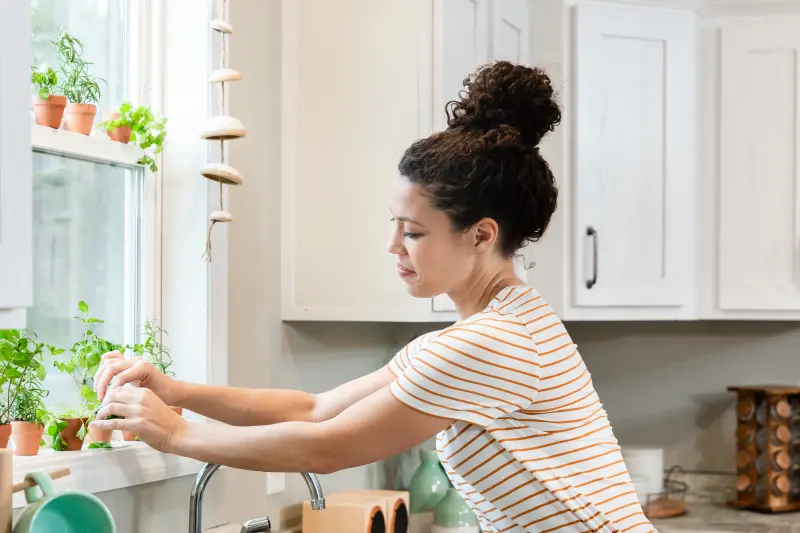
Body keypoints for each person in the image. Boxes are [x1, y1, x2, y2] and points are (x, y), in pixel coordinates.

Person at [92, 61, 653, 533]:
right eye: (395, 225)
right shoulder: (497, 328)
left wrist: (176, 433)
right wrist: (177, 390)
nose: (393, 246)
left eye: (412, 231)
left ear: (481, 234)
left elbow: (326, 448)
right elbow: (313, 411)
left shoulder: (488, 343)